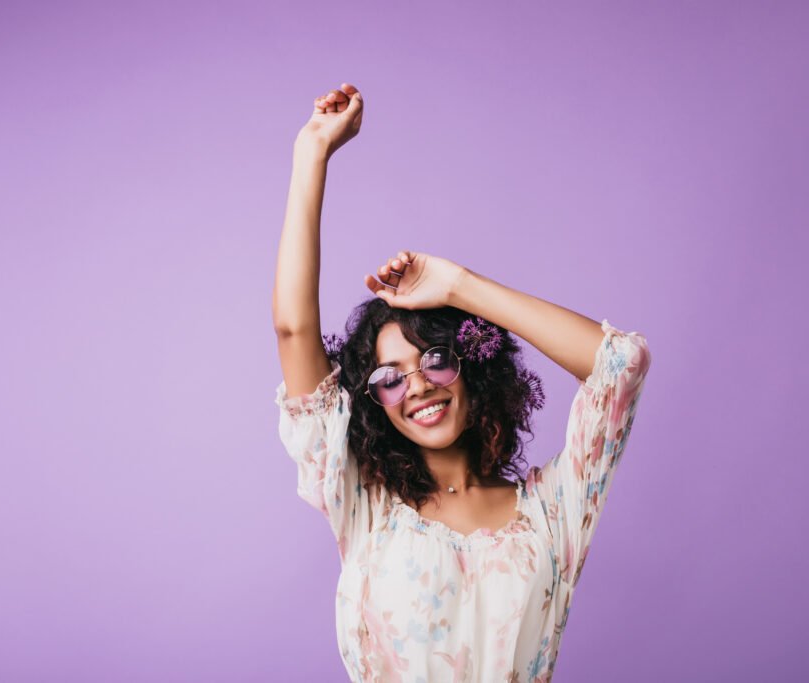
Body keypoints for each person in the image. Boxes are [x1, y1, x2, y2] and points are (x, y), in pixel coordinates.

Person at [273, 82, 652, 682]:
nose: (417, 386)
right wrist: (311, 152)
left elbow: (619, 362)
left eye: (436, 360)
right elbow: (294, 331)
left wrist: (457, 285)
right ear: (375, 405)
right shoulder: (366, 508)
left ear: (474, 367)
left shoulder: (553, 512)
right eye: (390, 378)